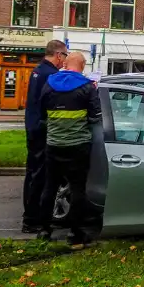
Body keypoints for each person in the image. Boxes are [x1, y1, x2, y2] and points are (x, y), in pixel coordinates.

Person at [37, 51, 101, 246]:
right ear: (82, 66)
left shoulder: (49, 83)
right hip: (77, 146)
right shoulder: (87, 87)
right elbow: (96, 116)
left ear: (65, 64)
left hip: (54, 145)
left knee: (49, 187)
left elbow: (42, 115)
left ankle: (43, 230)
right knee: (77, 189)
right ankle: (75, 233)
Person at [21, 39, 68, 234]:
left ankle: (29, 215)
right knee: (40, 176)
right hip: (42, 130)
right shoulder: (51, 75)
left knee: (32, 173)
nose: (63, 61)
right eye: (64, 56)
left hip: (32, 128)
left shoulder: (37, 70)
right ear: (58, 55)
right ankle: (33, 220)